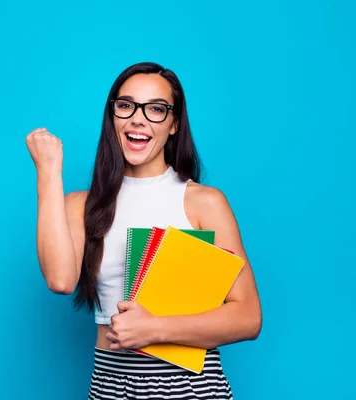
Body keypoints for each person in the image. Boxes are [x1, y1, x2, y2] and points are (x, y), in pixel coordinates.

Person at [25, 61, 262, 399]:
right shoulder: (81, 204)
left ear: (174, 124)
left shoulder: (202, 202)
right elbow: (60, 281)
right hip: (110, 382)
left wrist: (155, 329)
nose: (138, 118)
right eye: (126, 106)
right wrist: (48, 171)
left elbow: (249, 316)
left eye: (156, 109)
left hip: (189, 386)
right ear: (113, 117)